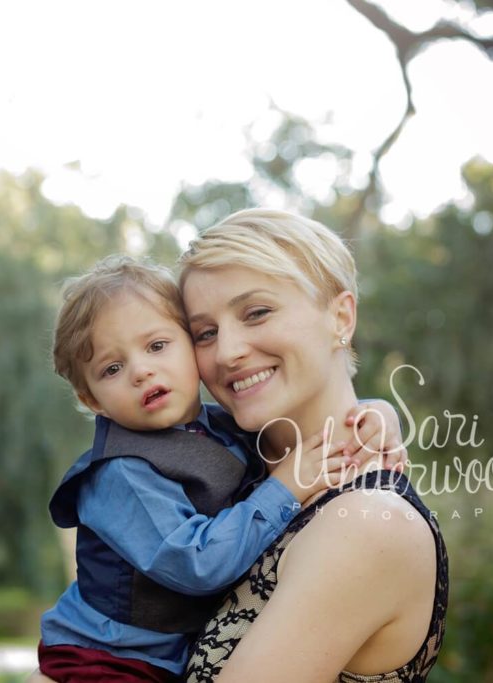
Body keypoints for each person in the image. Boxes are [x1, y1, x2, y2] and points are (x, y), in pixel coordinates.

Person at [34, 255, 407, 682]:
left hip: (166, 658)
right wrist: (285, 487)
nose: (141, 371)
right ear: (93, 399)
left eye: (157, 346)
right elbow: (197, 562)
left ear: (192, 349)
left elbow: (310, 433)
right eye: (112, 368)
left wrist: (377, 413)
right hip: (108, 659)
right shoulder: (118, 473)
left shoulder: (221, 428)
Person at [179, 208, 447, 682]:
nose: (227, 352)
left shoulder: (367, 525)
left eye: (257, 312)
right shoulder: (227, 471)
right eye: (205, 333)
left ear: (340, 317)